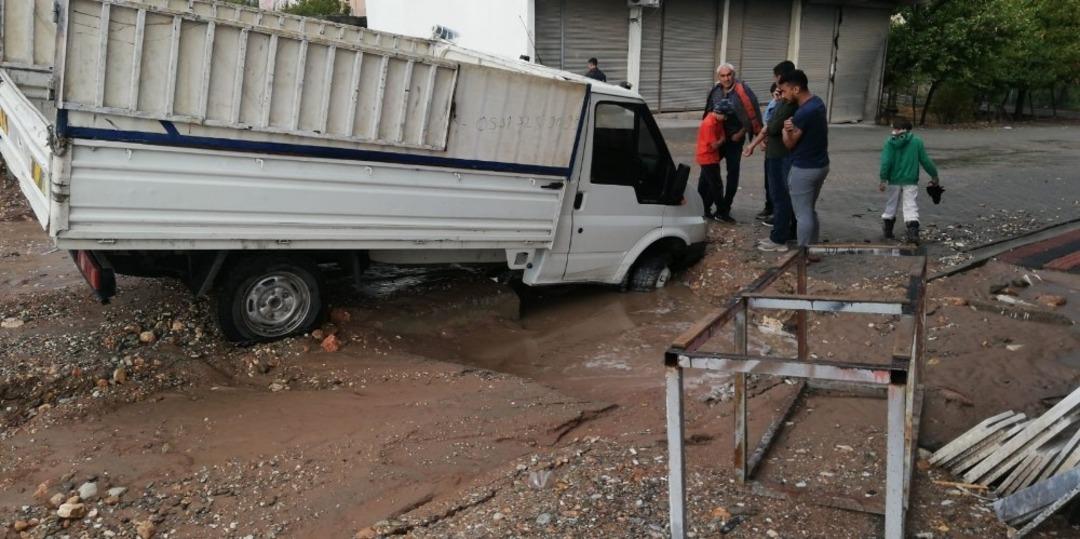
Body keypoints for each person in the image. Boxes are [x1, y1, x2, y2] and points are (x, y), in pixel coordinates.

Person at [703, 63, 762, 223]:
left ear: (733, 74)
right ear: (718, 77)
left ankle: (724, 210)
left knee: (732, 174)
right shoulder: (715, 91)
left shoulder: (743, 91)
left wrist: (741, 133)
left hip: (735, 139)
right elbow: (708, 112)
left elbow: (752, 115)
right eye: (723, 76)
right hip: (718, 140)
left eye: (729, 74)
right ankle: (704, 207)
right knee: (708, 173)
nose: (726, 78)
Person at [744, 81, 798, 252]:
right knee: (778, 196)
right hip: (774, 155)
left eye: (782, 91)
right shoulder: (780, 103)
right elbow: (767, 126)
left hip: (782, 157)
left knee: (781, 197)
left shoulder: (789, 106)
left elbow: (772, 127)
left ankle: (779, 238)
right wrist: (753, 144)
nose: (779, 94)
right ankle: (783, 233)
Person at [779, 69, 829, 249]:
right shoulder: (818, 103)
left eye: (784, 91)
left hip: (804, 169)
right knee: (809, 210)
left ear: (796, 89)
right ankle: (813, 250)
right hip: (821, 165)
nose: (783, 95)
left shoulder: (803, 113)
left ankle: (803, 253)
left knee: (802, 214)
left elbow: (790, 143)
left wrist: (785, 130)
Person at [878, 118, 940, 244]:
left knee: (891, 204)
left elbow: (886, 162)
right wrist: (934, 175)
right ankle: (913, 232)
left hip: (894, 180)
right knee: (910, 205)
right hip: (910, 180)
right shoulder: (916, 141)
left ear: (897, 129)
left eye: (894, 127)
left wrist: (883, 179)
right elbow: (925, 161)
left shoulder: (889, 142)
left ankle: (888, 231)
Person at [755, 60, 797, 221]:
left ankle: (781, 222)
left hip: (781, 153)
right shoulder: (780, 98)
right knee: (773, 187)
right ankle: (773, 211)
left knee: (781, 190)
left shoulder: (789, 101)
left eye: (776, 78)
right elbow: (769, 123)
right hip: (773, 150)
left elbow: (773, 126)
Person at [696, 104, 728, 218]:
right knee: (716, 186)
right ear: (719, 113)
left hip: (709, 157)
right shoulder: (709, 124)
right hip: (708, 158)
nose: (726, 119)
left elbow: (721, 135)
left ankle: (702, 208)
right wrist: (722, 140)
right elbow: (714, 145)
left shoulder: (717, 120)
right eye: (725, 116)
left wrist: (721, 139)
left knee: (705, 184)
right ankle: (721, 212)